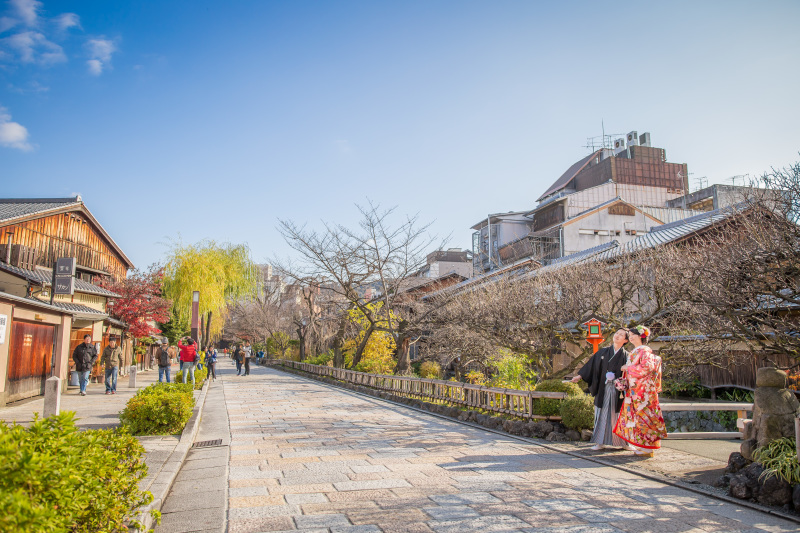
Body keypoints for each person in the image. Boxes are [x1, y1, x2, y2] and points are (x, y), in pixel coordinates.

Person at [572, 329, 634, 451]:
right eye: (616, 333)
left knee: (618, 415)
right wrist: (580, 376)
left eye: (621, 335)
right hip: (604, 387)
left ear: (625, 340)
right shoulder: (603, 352)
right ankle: (600, 442)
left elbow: (632, 372)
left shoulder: (627, 356)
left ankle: (624, 442)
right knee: (602, 414)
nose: (617, 336)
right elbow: (591, 366)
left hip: (619, 391)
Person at [613, 325, 668, 457]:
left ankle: (648, 447)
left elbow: (646, 368)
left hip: (643, 391)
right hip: (636, 389)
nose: (630, 337)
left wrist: (628, 368)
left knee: (645, 416)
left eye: (633, 335)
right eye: (630, 335)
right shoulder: (636, 351)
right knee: (638, 417)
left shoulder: (644, 351)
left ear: (641, 337)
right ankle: (643, 446)